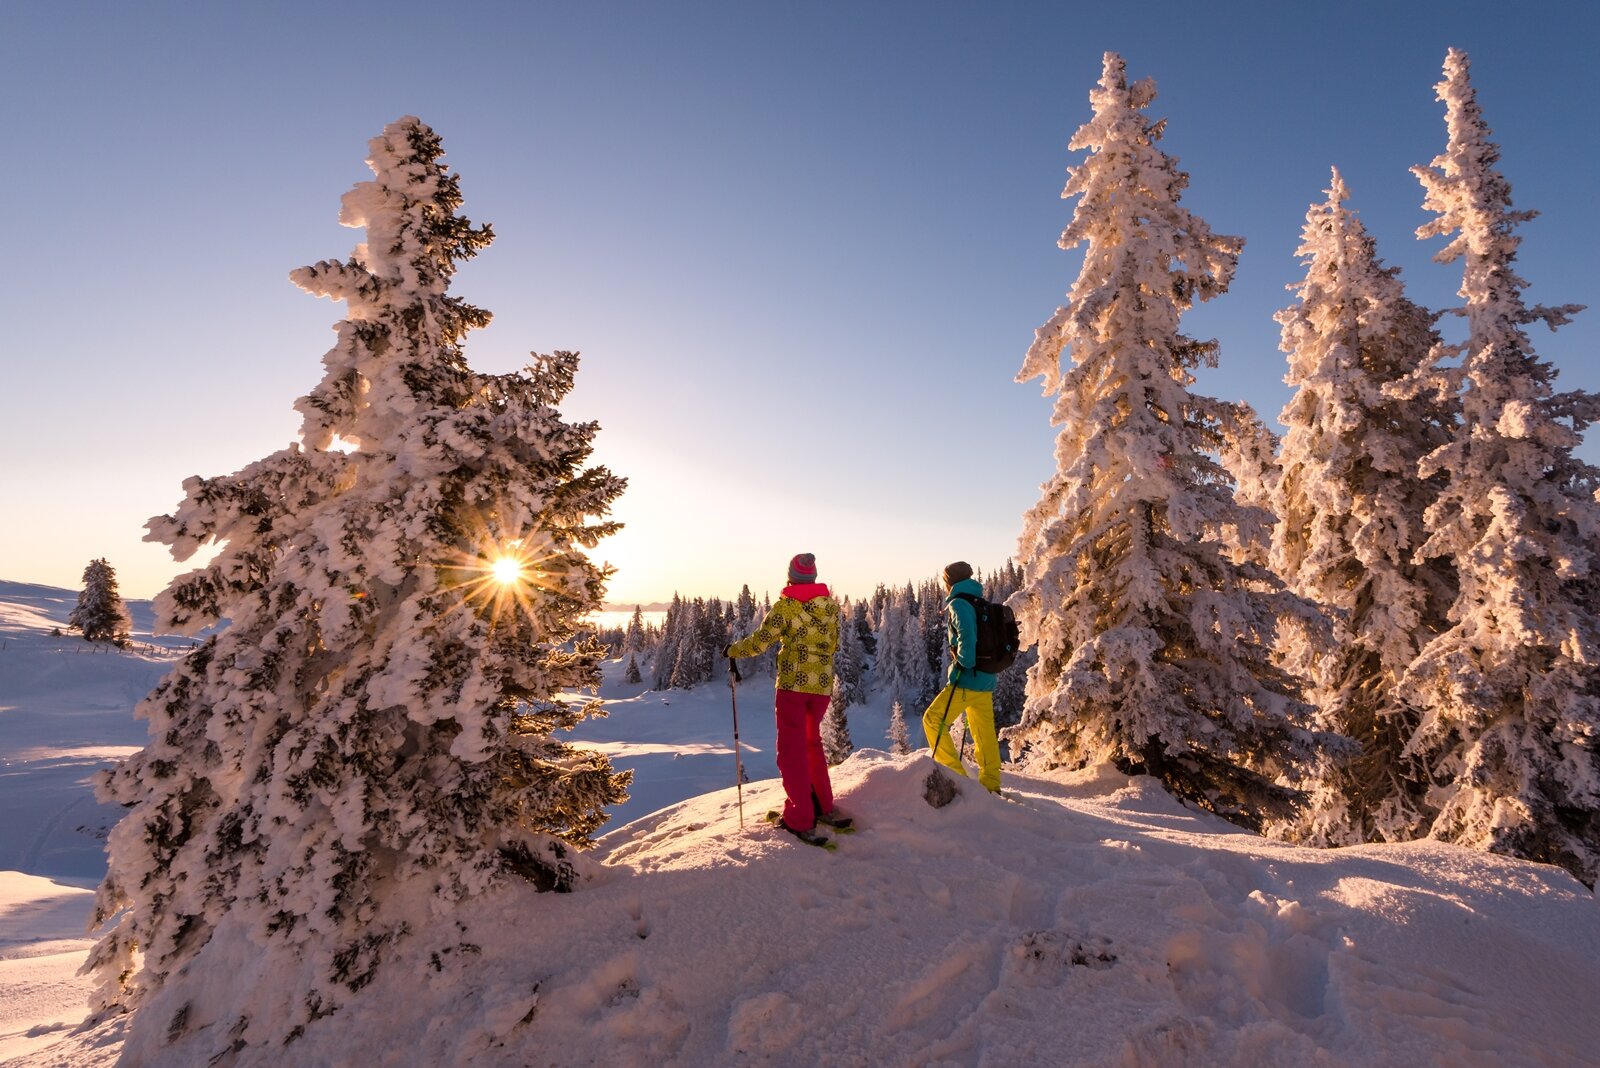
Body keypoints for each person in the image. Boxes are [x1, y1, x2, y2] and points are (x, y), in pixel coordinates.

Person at [725, 553, 850, 844]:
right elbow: (834, 644)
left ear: (791, 576)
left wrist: (733, 650)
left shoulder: (787, 606)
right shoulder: (829, 607)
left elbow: (759, 642)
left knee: (791, 752)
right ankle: (823, 806)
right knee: (811, 744)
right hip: (820, 687)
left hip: (793, 687)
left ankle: (799, 818)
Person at [923, 561, 1001, 793]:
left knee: (932, 720)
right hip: (986, 680)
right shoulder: (979, 601)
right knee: (984, 734)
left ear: (949, 581)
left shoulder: (958, 603)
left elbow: (968, 636)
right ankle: (991, 786)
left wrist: (963, 665)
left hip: (967, 679)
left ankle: (955, 778)